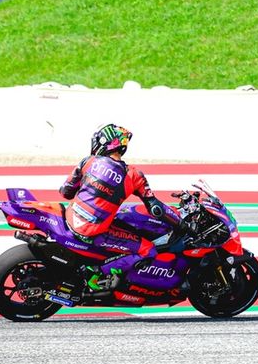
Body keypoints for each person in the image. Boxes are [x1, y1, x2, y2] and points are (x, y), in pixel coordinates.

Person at [58, 123, 181, 292]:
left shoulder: (88, 161)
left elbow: (65, 192)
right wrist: (181, 223)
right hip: (93, 232)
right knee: (148, 250)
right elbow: (156, 209)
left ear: (104, 142)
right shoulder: (133, 175)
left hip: (69, 219)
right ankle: (97, 274)